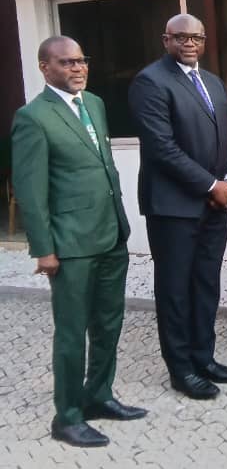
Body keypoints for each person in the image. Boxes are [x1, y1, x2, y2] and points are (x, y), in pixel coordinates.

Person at [12, 36, 146, 447]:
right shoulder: (33, 118)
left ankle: (99, 396)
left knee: (108, 324)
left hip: (110, 234)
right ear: (44, 67)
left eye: (81, 61)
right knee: (72, 333)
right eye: (67, 63)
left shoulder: (95, 105)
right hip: (70, 246)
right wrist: (44, 249)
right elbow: (31, 191)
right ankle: (67, 417)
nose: (78, 68)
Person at [128, 14, 227, 401]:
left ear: (204, 40)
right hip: (174, 207)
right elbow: (162, 149)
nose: (189, 43)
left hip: (214, 204)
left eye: (196, 37)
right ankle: (180, 369)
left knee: (206, 283)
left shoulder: (211, 82)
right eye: (181, 37)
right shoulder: (151, 82)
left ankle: (203, 358)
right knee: (175, 289)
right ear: (166, 39)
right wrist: (210, 185)